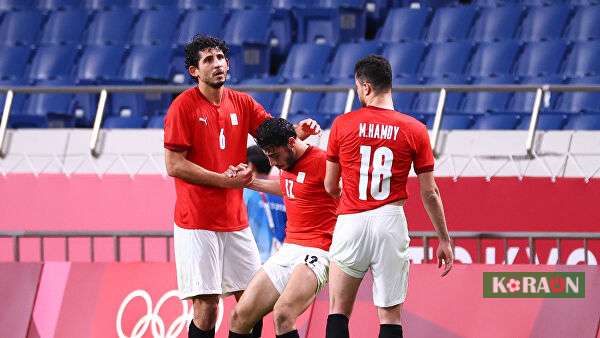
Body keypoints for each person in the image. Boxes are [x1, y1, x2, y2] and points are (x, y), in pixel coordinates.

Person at [163, 35, 320, 338]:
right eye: (208, 60)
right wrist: (222, 180)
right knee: (207, 310)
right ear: (194, 71)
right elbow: (175, 165)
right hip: (196, 222)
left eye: (220, 57)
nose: (218, 64)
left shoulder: (243, 102)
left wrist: (297, 131)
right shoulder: (182, 107)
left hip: (235, 221)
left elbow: (272, 133)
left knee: (252, 303)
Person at [323, 55, 454, 338]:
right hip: (390, 220)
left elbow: (330, 185)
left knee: (338, 310)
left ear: (366, 86)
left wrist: (347, 201)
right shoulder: (415, 129)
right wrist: (443, 238)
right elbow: (429, 191)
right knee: (390, 317)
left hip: (351, 220)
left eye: (358, 87)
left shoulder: (343, 124)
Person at [227, 118, 339, 338]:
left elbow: (349, 194)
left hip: (318, 250)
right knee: (239, 316)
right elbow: (289, 187)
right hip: (288, 249)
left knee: (283, 314)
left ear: (290, 142)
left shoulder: (324, 162)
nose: (271, 162)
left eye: (274, 155)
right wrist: (249, 182)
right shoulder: (285, 162)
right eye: (267, 155)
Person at [243, 145, 284, 263]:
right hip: (281, 260)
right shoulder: (283, 191)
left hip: (254, 260)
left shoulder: (245, 194)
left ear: (250, 165)